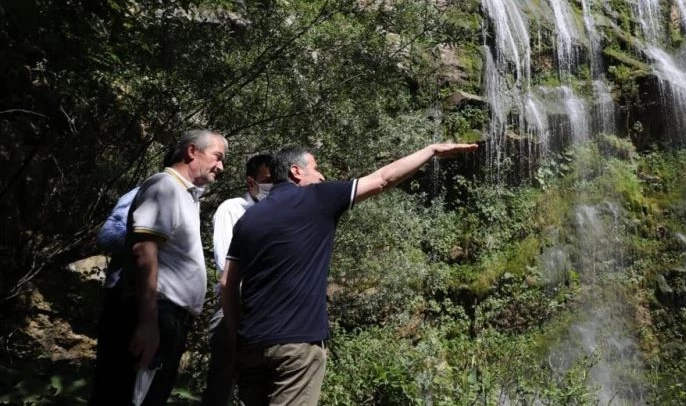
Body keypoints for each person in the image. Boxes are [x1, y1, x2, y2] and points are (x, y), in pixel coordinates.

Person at [221, 142, 477, 406]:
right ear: (296, 172)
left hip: (251, 345)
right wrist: (431, 151)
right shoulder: (316, 197)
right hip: (296, 345)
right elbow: (382, 179)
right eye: (317, 168)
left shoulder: (248, 219)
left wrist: (235, 334)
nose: (322, 176)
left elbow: (227, 281)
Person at [89, 129, 228, 406]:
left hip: (169, 320)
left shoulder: (186, 195)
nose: (221, 167)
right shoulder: (164, 186)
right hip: (153, 315)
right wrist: (148, 322)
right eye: (218, 157)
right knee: (127, 396)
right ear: (192, 151)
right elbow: (144, 251)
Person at [202, 153, 273, 406]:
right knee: (222, 381)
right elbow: (227, 264)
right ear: (250, 182)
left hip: (268, 314)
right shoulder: (232, 209)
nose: (272, 185)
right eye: (266, 180)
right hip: (234, 306)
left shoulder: (279, 213)